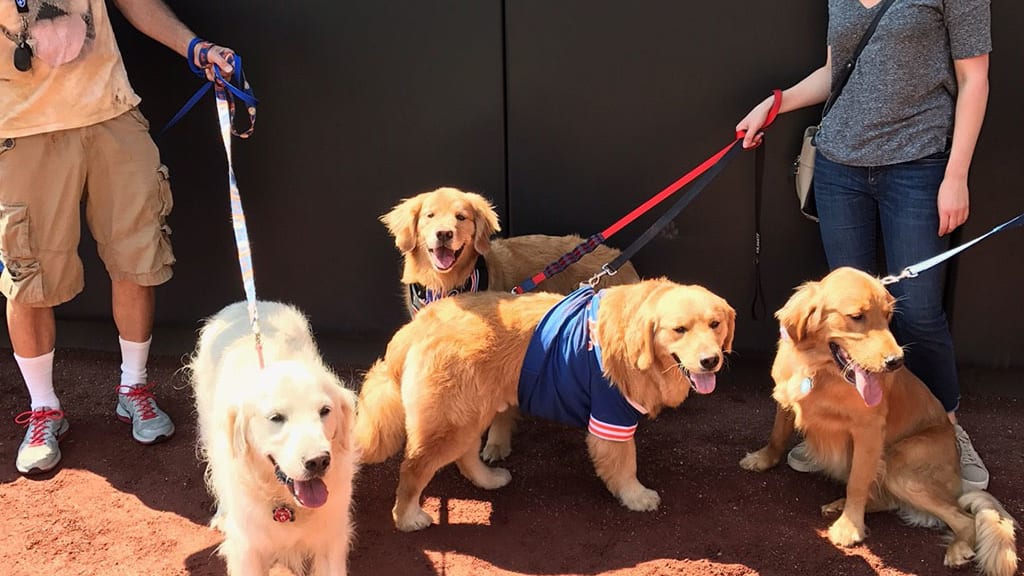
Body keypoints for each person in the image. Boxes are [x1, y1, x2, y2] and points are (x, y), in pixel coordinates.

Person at [736, 0, 991, 491]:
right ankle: (834, 431)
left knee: (917, 312)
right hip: (838, 167)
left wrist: (956, 174)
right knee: (848, 318)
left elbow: (974, 79)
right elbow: (837, 70)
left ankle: (947, 433)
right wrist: (775, 104)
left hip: (918, 165)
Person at [0, 0, 236, 475]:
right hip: (22, 128)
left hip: (111, 112)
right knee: (30, 276)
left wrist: (195, 47)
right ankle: (44, 407)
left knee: (139, 255)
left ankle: (135, 389)